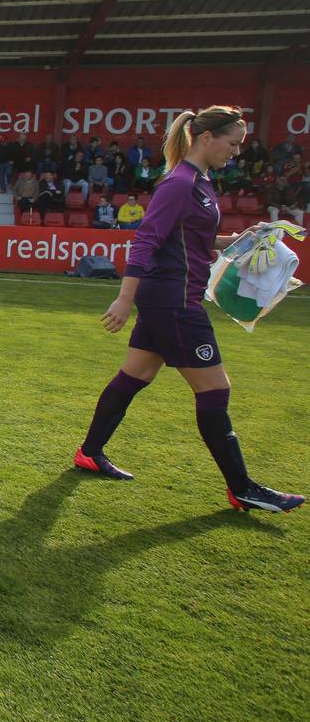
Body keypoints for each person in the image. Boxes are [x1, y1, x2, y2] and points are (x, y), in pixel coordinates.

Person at [74, 105, 303, 512]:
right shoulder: (179, 183)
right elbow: (146, 240)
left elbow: (193, 238)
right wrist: (124, 298)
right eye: (232, 144)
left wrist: (241, 237)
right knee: (216, 389)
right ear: (205, 138)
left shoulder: (199, 181)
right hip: (175, 303)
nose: (236, 152)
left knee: (135, 374)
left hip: (171, 299)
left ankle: (90, 453)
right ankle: (242, 487)